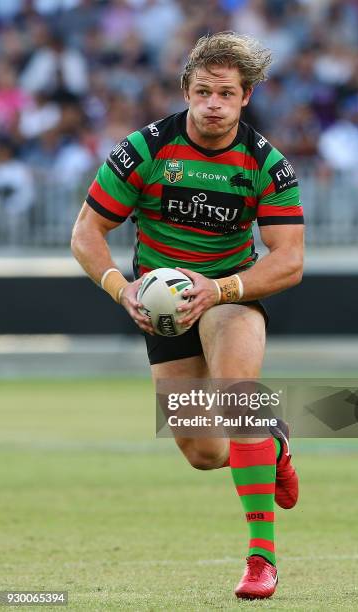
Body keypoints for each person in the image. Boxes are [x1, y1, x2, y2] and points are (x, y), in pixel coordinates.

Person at [71, 32, 304, 600]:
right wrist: (120, 288)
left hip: (228, 295)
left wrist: (221, 288)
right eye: (203, 91)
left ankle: (261, 559)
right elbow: (87, 233)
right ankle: (270, 445)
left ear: (245, 97)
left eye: (226, 93)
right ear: (186, 91)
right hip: (163, 309)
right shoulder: (144, 150)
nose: (213, 103)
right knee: (202, 453)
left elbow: (290, 259)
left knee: (238, 394)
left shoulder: (265, 163)